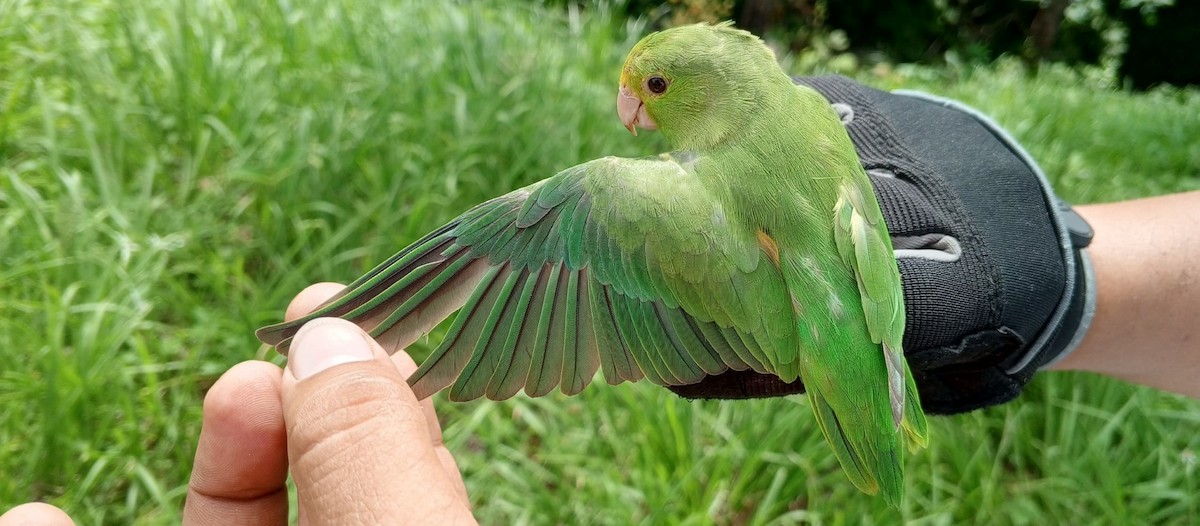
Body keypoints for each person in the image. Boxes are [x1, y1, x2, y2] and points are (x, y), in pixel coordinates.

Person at [4, 78, 1198, 524]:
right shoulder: (789, 121)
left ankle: (1046, 285)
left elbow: (535, 253)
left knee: (558, 205)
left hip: (846, 332)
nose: (635, 107)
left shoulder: (616, 200)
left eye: (656, 86)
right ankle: (1053, 285)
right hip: (867, 327)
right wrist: (1063, 276)